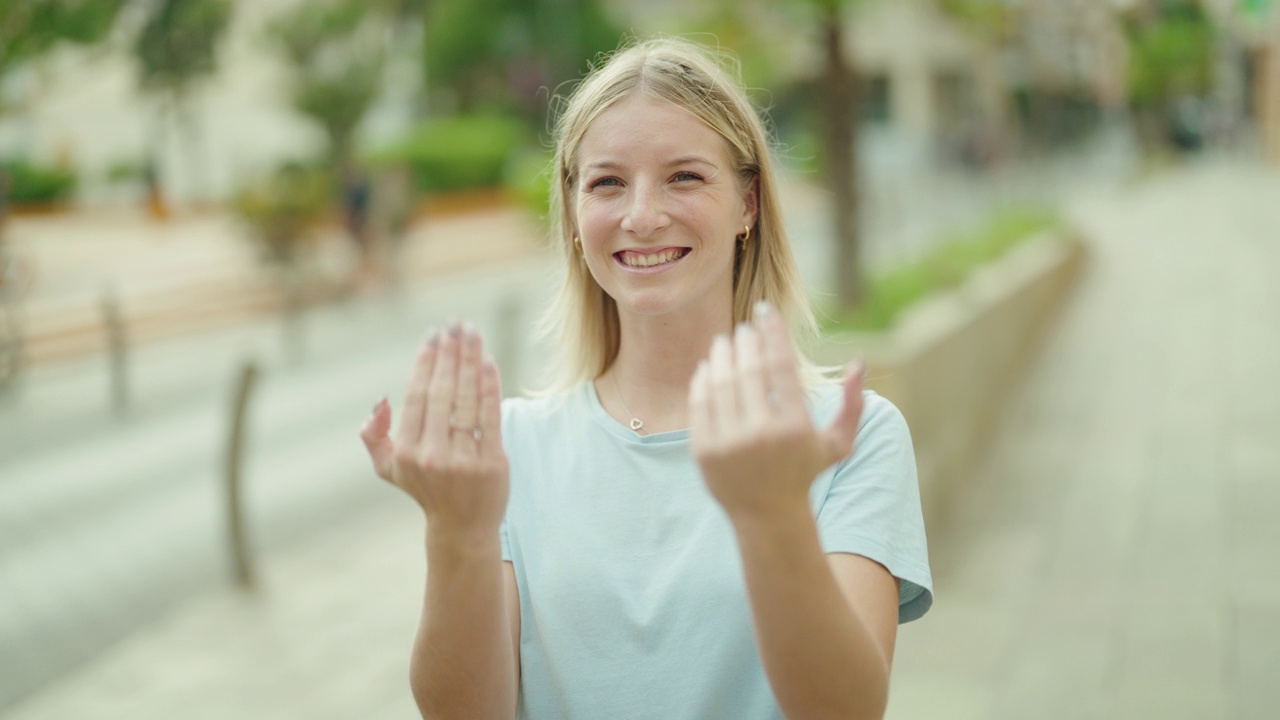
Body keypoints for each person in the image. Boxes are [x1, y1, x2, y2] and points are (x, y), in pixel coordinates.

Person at [359, 36, 932, 720]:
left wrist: (774, 516)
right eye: (607, 182)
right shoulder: (508, 448)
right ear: (573, 211)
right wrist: (456, 532)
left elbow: (845, 711)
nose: (641, 215)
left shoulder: (852, 437)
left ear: (748, 203)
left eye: (685, 176)